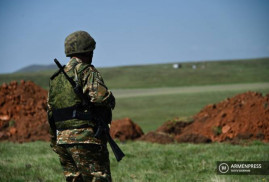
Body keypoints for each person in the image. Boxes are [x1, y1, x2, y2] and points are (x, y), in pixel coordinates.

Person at [47, 31, 115, 182]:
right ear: (88, 50)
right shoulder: (87, 71)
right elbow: (100, 97)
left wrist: (54, 140)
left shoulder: (56, 78)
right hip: (85, 139)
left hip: (62, 140)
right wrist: (110, 98)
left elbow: (50, 112)